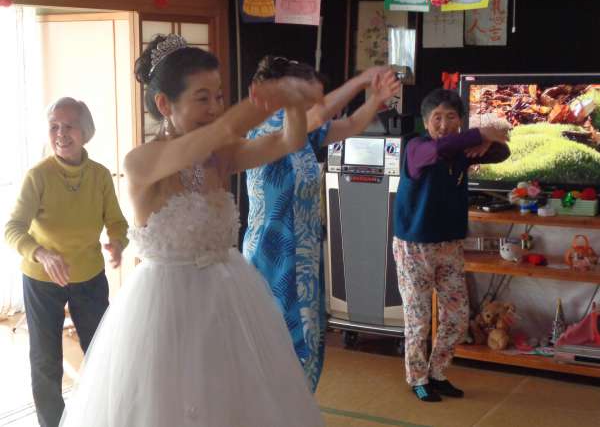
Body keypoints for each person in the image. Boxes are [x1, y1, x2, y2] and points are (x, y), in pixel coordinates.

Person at [58, 34, 325, 426]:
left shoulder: (219, 156)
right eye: (203, 98)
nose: (215, 107)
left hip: (228, 298)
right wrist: (270, 96)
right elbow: (223, 129)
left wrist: (295, 103)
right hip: (164, 307)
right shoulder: (141, 162)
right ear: (164, 104)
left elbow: (290, 139)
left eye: (219, 96)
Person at [243, 55, 401, 391]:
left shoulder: (304, 135)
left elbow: (352, 125)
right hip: (272, 258)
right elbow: (317, 116)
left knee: (307, 343)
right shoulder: (265, 128)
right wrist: (361, 81)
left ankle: (296, 409)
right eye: (308, 96)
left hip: (304, 257)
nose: (315, 103)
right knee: (278, 350)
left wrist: (375, 99)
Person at [4, 97, 129, 427]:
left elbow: (117, 222)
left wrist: (118, 243)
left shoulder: (99, 175)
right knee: (46, 360)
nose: (60, 133)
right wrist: (42, 253)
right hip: (42, 277)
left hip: (89, 276)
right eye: (54, 126)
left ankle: (102, 415)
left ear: (85, 132)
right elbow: (12, 228)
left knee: (101, 351)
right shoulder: (38, 176)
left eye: (69, 126)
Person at [392, 88, 511, 402]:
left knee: (457, 318)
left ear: (460, 121)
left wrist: (487, 142)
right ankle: (417, 378)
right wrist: (480, 134)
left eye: (451, 117)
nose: (444, 125)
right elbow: (440, 148)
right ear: (426, 122)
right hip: (415, 247)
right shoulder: (417, 148)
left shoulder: (461, 151)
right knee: (418, 320)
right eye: (437, 118)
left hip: (450, 245)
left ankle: (437, 372)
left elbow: (503, 153)